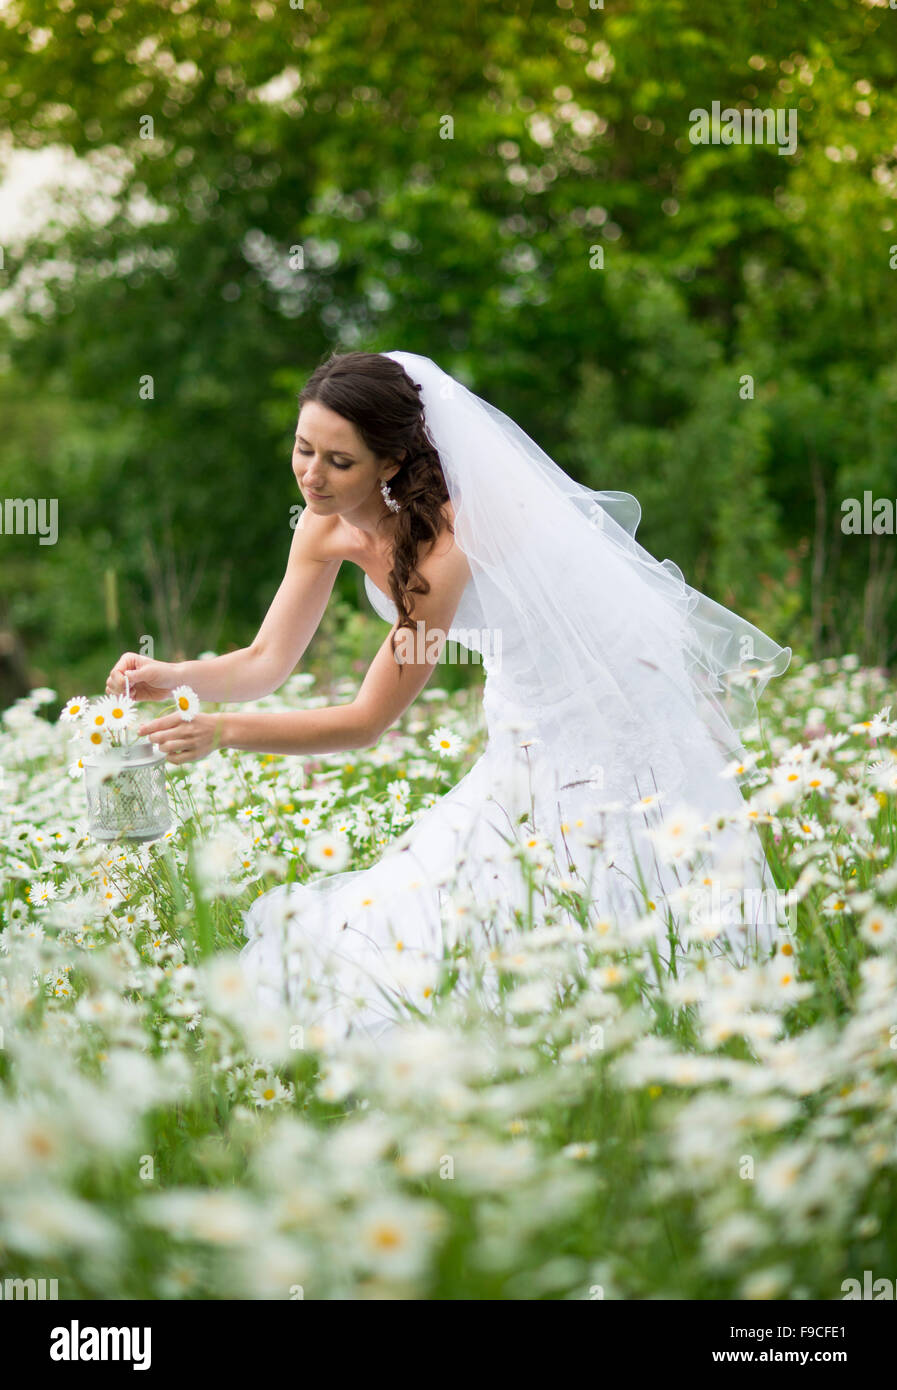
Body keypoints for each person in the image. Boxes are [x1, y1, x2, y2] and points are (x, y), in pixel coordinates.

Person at [107, 349, 792, 1048]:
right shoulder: (319, 522)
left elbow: (367, 720)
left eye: (338, 462)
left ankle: (641, 1030)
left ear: (392, 464)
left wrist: (221, 732)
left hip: (612, 700)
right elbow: (263, 661)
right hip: (524, 704)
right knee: (492, 882)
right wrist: (173, 677)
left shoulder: (445, 548)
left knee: (606, 871)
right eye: (302, 448)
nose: (312, 475)